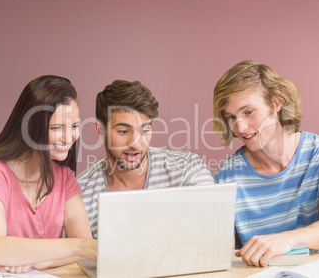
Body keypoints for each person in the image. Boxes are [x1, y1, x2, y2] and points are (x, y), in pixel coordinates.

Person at [212, 60, 319, 267]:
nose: (240, 127)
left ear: (276, 103)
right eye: (231, 117)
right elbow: (221, 254)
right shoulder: (225, 178)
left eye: (248, 112)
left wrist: (285, 240)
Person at [0, 75, 95, 273]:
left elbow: (86, 247)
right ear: (31, 127)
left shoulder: (65, 179)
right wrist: (77, 246)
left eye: (74, 126)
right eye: (56, 128)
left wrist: (41, 260)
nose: (69, 137)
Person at [77, 80, 215, 238]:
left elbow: (214, 231)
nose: (135, 143)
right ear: (100, 131)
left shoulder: (186, 169)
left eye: (145, 130)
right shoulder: (79, 192)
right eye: (123, 131)